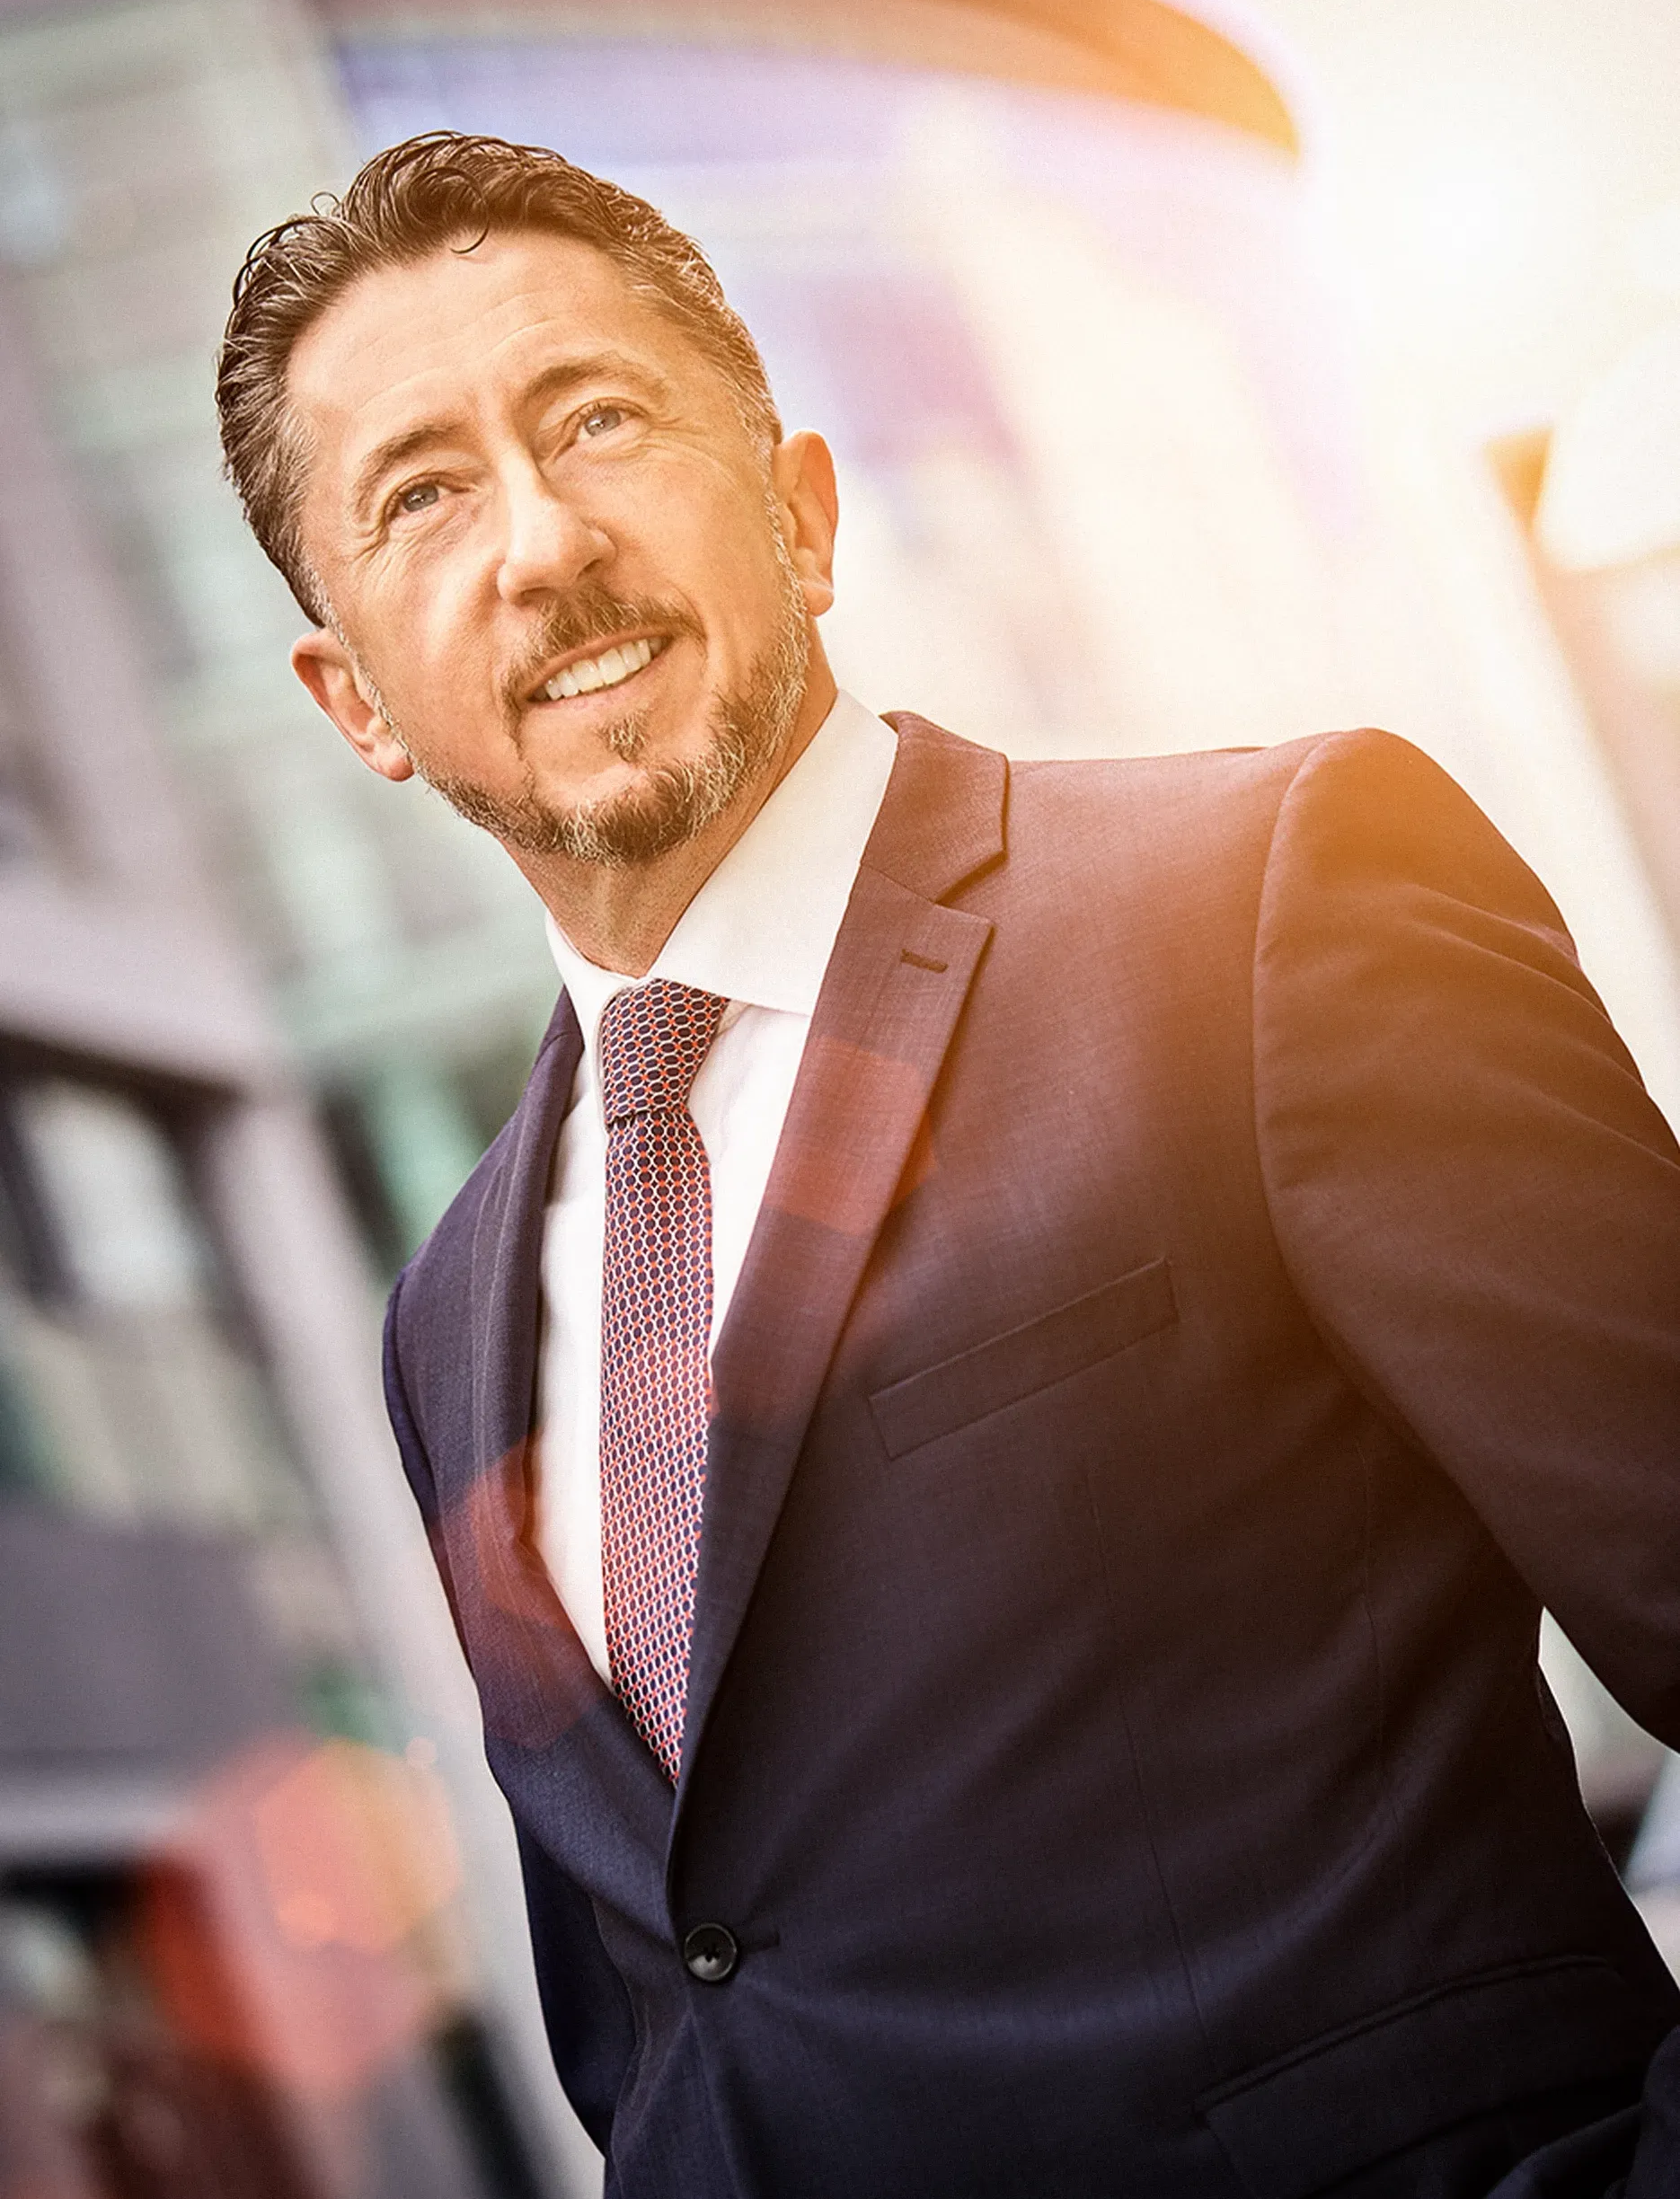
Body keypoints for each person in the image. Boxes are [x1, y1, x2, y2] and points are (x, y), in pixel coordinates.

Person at [216, 132, 1680, 2199]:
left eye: (597, 419)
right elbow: (679, 2002)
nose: (536, 541)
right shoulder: (448, 1309)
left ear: (802, 514)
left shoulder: (1256, 902)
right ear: (352, 699)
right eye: (423, 493)